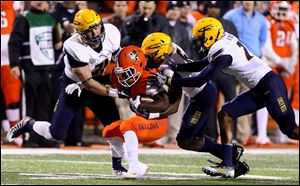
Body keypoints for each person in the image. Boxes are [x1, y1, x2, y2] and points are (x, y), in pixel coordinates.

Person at [149, 17, 299, 178]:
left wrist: (172, 79)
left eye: (200, 38)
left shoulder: (223, 52)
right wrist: (177, 67)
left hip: (271, 85)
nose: (199, 42)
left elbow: (201, 78)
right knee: (225, 113)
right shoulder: (222, 41)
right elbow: (203, 64)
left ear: (211, 35)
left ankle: (228, 162)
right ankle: (228, 164)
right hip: (258, 88)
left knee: (291, 130)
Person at [6, 8, 131, 176]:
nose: (95, 33)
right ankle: (28, 124)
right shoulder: (73, 45)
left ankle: (117, 166)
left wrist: (126, 78)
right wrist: (117, 93)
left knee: (115, 127)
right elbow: (88, 82)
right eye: (89, 31)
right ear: (80, 33)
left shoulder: (111, 32)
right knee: (55, 134)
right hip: (75, 87)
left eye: (96, 27)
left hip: (98, 81)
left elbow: (119, 59)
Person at [142, 32, 249, 178]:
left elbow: (174, 104)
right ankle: (230, 155)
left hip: (202, 96)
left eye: (149, 55)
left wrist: (153, 112)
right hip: (201, 93)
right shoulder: (171, 49)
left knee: (186, 140)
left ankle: (229, 155)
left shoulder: (166, 67)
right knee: (190, 138)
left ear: (159, 52)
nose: (148, 59)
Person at [102, 45, 172, 179]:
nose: (123, 76)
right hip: (140, 121)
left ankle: (134, 168)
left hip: (157, 122)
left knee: (127, 125)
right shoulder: (119, 77)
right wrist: (83, 83)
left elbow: (164, 103)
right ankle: (128, 167)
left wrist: (142, 106)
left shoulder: (148, 79)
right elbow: (104, 80)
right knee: (109, 131)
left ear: (139, 66)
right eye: (122, 72)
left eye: (128, 72)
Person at [261, 1, 299, 144]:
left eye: (284, 9)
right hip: (272, 64)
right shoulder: (268, 22)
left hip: (285, 64)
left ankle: (285, 132)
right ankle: (263, 133)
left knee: (285, 100)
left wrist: (291, 63)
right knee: (270, 99)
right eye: (279, 9)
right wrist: (282, 61)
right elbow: (266, 46)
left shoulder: (290, 23)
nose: (282, 12)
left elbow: (294, 45)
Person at [1, 1, 23, 145]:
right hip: (6, 52)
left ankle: (14, 131)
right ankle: (8, 129)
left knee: (12, 97)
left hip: (7, 54)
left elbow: (20, 18)